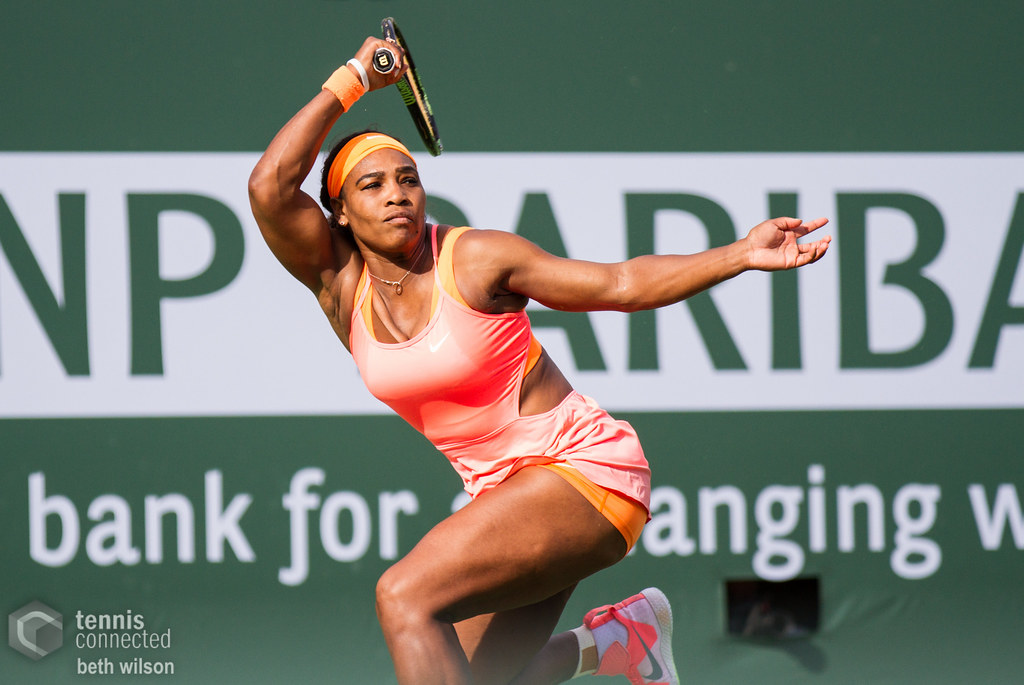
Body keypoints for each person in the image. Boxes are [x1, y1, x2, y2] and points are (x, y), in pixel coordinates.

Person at [248, 34, 830, 685]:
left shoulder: (475, 258)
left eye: (409, 179)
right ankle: (617, 640)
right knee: (477, 678)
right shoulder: (340, 288)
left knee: (402, 596)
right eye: (372, 184)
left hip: (583, 472)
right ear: (339, 212)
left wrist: (741, 253)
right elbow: (270, 186)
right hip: (507, 500)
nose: (397, 194)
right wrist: (356, 76)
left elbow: (620, 285)